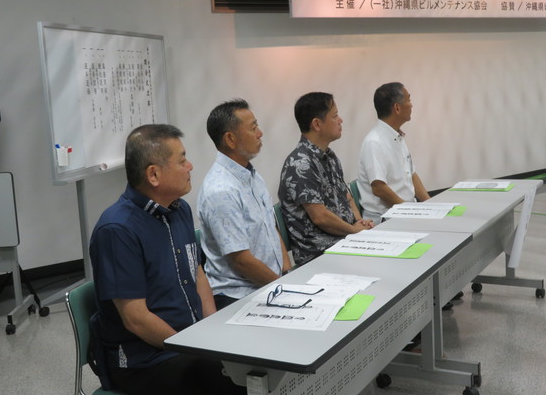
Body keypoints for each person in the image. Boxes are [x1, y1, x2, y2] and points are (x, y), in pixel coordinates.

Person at [89, 124, 245, 395]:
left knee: (251, 345)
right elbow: (136, 319)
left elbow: (196, 271)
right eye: (182, 160)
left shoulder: (179, 209)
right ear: (154, 174)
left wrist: (212, 330)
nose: (190, 166)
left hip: (189, 341)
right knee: (233, 376)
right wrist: (195, 346)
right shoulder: (117, 230)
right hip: (144, 360)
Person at [198, 99, 292, 309]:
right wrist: (284, 287)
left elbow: (270, 227)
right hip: (238, 295)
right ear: (230, 139)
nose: (260, 133)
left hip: (269, 284)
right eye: (253, 128)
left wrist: (287, 273)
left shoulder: (251, 175)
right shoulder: (221, 190)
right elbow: (241, 261)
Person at [278, 91, 373, 266]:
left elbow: (347, 197)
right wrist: (354, 231)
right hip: (320, 254)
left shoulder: (329, 156)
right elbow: (320, 217)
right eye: (335, 116)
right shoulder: (300, 163)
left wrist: (359, 222)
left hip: (345, 240)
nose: (341, 120)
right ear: (317, 124)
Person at [357, 82, 430, 224]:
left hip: (405, 211)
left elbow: (412, 175)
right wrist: (409, 211)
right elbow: (379, 188)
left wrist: (430, 204)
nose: (411, 105)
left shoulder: (397, 136)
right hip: (386, 218)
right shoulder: (374, 142)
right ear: (397, 107)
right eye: (408, 99)